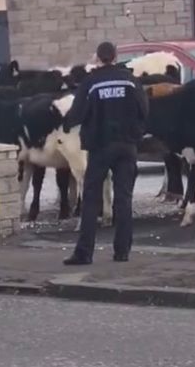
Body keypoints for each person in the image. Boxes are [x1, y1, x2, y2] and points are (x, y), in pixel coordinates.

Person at [62, 42, 148, 265]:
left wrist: (66, 123)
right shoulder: (130, 80)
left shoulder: (91, 82)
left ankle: (84, 253)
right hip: (127, 145)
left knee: (91, 199)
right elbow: (144, 109)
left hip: (100, 147)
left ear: (98, 58)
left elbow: (78, 113)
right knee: (124, 199)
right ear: (116, 56)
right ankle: (122, 251)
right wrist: (135, 133)